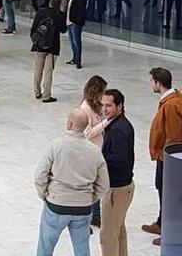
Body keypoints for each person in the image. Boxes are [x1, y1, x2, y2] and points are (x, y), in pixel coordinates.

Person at [33, 108, 109, 256]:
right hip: (83, 207)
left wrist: (46, 196)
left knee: (45, 247)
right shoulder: (95, 151)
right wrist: (90, 198)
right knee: (82, 249)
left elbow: (40, 176)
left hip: (56, 205)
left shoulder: (56, 146)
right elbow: (104, 184)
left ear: (69, 124)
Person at [142, 67, 182, 247]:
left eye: (151, 81)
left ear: (158, 83)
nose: (150, 84)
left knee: (166, 190)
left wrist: (164, 155)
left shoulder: (171, 105)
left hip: (167, 157)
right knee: (160, 187)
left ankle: (168, 229)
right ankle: (162, 222)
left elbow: (173, 135)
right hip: (164, 155)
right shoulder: (174, 99)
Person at [99, 89, 134, 256]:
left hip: (117, 189)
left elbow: (119, 160)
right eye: (103, 105)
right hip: (123, 187)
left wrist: (99, 161)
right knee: (118, 230)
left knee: (107, 235)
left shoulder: (117, 130)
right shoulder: (119, 124)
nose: (105, 109)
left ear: (119, 106)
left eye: (109, 105)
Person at [79, 75, 109, 227]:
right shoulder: (85, 109)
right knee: (90, 185)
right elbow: (87, 133)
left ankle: (95, 215)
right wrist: (105, 123)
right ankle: (89, 215)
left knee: (96, 183)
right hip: (89, 153)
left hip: (98, 151)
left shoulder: (97, 106)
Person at [30, 0, 67, 103]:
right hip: (53, 46)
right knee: (48, 72)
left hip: (39, 45)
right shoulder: (60, 15)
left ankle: (37, 92)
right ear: (59, 4)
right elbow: (63, 30)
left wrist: (36, 41)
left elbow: (33, 29)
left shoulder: (41, 12)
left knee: (38, 69)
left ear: (50, 2)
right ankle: (46, 95)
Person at [66, 0, 87, 69]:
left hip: (75, 23)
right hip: (69, 22)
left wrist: (76, 21)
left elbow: (81, 10)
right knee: (72, 42)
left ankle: (78, 61)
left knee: (77, 41)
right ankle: (75, 58)